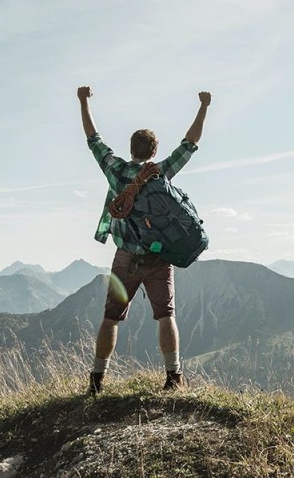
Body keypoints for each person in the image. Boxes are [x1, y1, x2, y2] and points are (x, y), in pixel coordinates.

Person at [77, 86, 211, 395]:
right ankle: (173, 376)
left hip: (125, 257)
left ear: (131, 148)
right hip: (158, 257)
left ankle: (97, 381)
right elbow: (189, 144)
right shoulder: (159, 173)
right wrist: (203, 106)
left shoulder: (115, 170)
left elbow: (93, 139)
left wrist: (83, 101)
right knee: (166, 316)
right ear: (153, 151)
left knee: (111, 318)